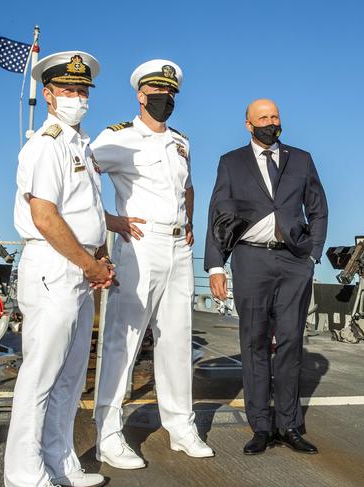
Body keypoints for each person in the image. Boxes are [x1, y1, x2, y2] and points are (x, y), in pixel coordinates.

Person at [91, 59, 213, 470]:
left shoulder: (181, 142)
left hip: (179, 247)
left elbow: (188, 186)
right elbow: (77, 179)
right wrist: (110, 221)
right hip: (140, 244)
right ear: (141, 95)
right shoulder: (117, 137)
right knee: (122, 341)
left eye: (171, 93)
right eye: (158, 93)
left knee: (177, 340)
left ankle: (181, 427)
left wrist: (190, 222)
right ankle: (109, 433)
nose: (165, 99)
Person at [5, 51, 114, 487]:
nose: (77, 97)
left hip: (80, 267)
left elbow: (88, 211)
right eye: (68, 89)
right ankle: (24, 475)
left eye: (82, 90)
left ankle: (59, 461)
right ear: (48, 95)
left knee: (69, 378)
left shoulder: (80, 144)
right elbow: (45, 216)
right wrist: (91, 265)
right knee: (41, 378)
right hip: (55, 266)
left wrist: (99, 260)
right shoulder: (46, 143)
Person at [204, 99, 328, 455]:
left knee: (290, 342)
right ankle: (261, 426)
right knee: (254, 342)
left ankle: (289, 425)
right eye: (263, 118)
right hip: (250, 260)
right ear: (248, 124)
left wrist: (312, 253)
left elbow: (318, 208)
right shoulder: (231, 163)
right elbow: (218, 214)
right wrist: (216, 265)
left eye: (275, 117)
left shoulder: (300, 159)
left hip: (293, 262)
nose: (270, 122)